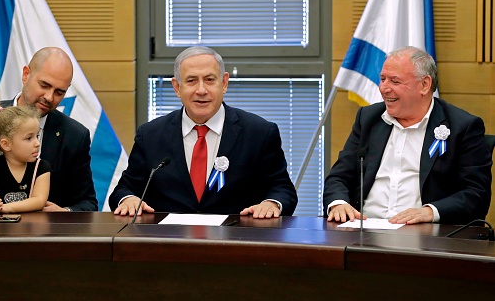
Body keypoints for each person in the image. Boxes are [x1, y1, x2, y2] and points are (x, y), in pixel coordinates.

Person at [109, 46, 297, 218]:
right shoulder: (150, 135)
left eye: (209, 80)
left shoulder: (259, 133)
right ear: (177, 87)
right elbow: (125, 188)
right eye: (191, 81)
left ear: (224, 83)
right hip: (168, 245)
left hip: (237, 244)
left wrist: (271, 203)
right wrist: (128, 199)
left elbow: (282, 188)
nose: (201, 90)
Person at [324, 46, 492, 225]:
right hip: (363, 229)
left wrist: (430, 212)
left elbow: (476, 194)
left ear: (424, 85)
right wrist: (338, 204)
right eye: (382, 79)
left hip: (426, 237)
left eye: (395, 82)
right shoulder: (368, 119)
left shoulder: (462, 127)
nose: (384, 88)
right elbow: (339, 176)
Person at [0, 47, 98, 212]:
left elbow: (88, 203)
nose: (49, 97)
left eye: (59, 92)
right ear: (26, 75)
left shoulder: (74, 136)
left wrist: (66, 212)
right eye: (44, 85)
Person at [0, 103, 51, 213]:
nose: (37, 143)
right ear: (6, 144)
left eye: (37, 136)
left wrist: (6, 208)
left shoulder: (41, 167)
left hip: (31, 228)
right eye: (29, 138)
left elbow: (39, 201)